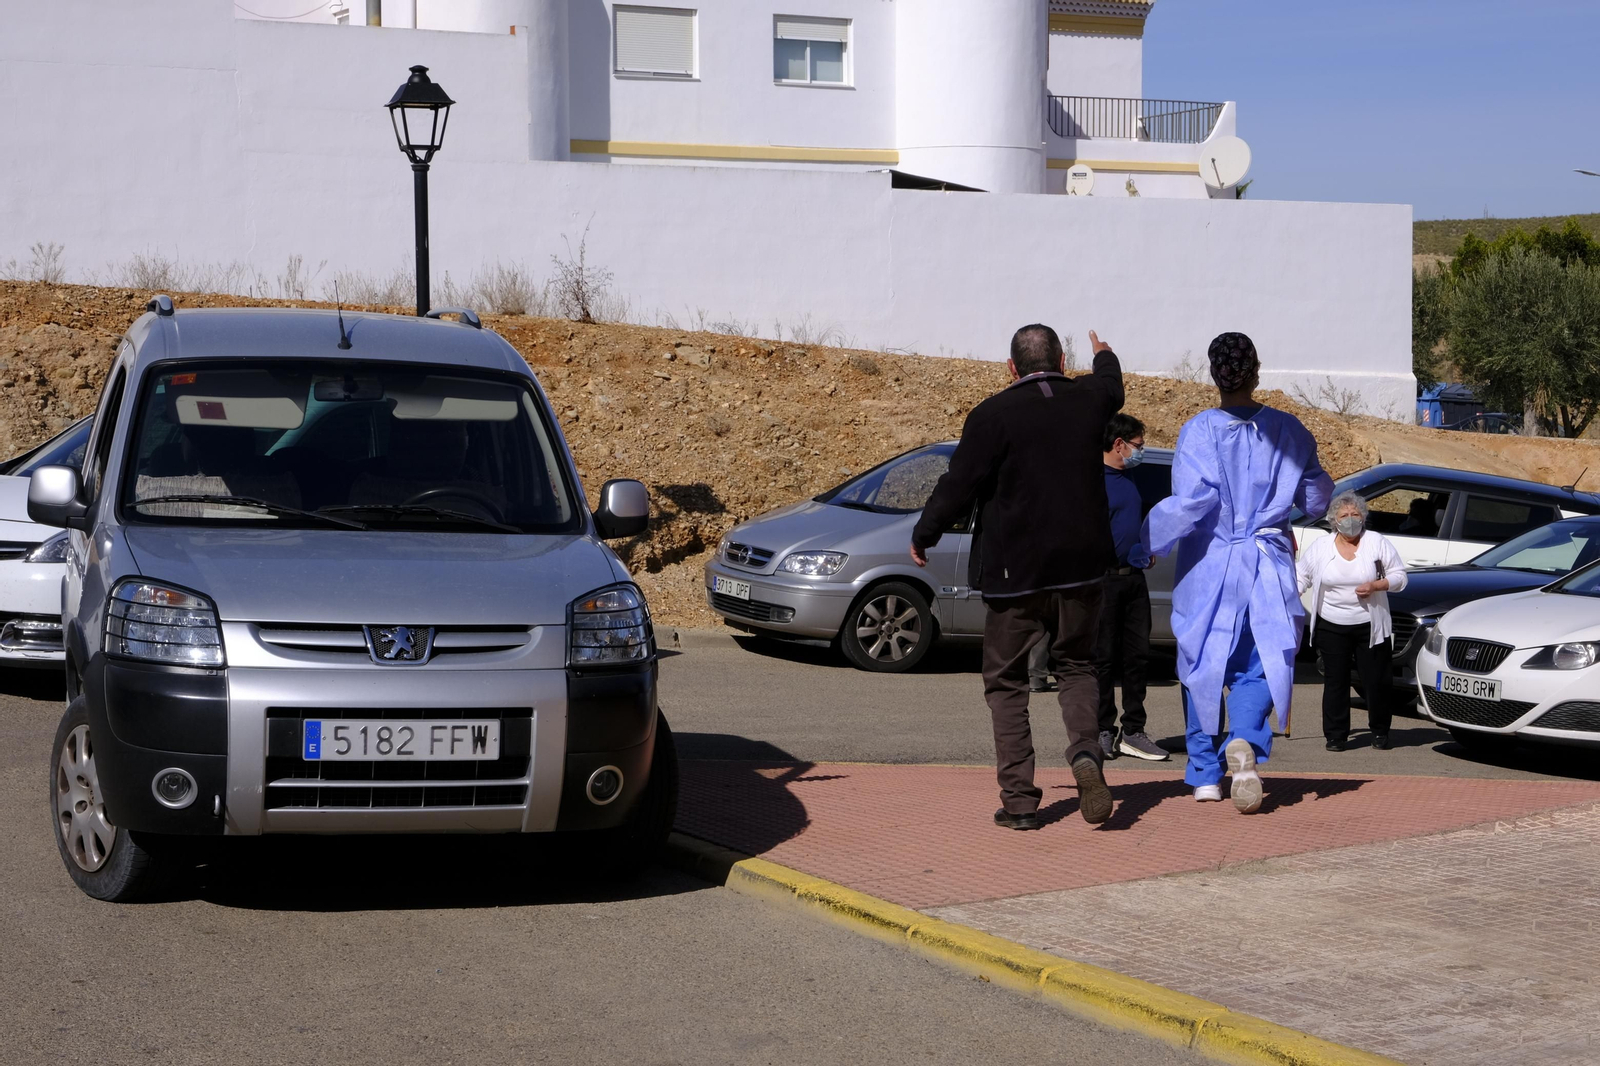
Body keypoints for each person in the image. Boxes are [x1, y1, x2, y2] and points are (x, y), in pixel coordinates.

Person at [912, 325, 1124, 831]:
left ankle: (1021, 803)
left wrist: (925, 532)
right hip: (1083, 569)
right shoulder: (1088, 399)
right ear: (1062, 358)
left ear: (1011, 368)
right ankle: (1086, 755)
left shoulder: (992, 416)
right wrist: (1105, 356)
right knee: (1077, 666)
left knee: (1006, 682)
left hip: (1016, 576)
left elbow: (958, 484)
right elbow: (1111, 386)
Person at [1143, 333, 1333, 813]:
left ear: (1213, 374)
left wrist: (1148, 542)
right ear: (1257, 370)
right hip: (1267, 566)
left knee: (1201, 665)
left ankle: (1205, 774)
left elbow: (1193, 501)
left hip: (1211, 564)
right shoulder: (1290, 431)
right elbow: (1315, 499)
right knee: (1264, 661)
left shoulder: (1199, 431)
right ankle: (1245, 743)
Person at [1297, 492, 1408, 751]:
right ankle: (1335, 735)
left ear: (1363, 517)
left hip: (1369, 624)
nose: (1350, 520)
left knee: (1376, 680)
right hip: (1331, 623)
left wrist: (1377, 585)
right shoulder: (1321, 547)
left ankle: (1380, 731)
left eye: (1355, 515)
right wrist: (1293, 592)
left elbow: (1400, 577)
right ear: (1334, 520)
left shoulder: (1376, 542)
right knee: (1336, 680)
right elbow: (1302, 575)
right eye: (1344, 516)